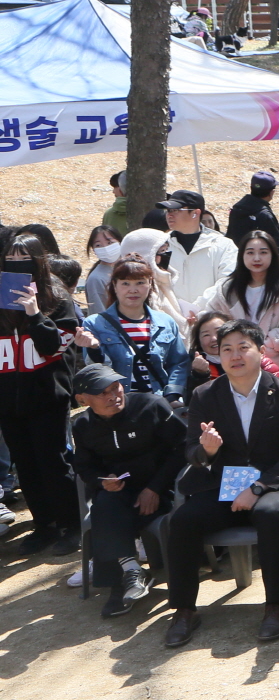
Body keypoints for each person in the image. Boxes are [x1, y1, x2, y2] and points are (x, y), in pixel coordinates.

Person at [161, 320, 279, 646]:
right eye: (226, 349)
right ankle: (184, 610)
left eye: (243, 347)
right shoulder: (205, 394)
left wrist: (258, 488)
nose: (235, 355)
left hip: (271, 485)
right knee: (183, 520)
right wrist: (207, 450)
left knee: (272, 515)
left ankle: (274, 605)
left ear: (261, 351)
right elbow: (192, 452)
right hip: (221, 486)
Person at [70, 362, 185, 616]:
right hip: (120, 493)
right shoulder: (83, 425)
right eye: (103, 393)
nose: (114, 396)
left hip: (162, 488)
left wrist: (154, 488)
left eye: (117, 387)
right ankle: (131, 571)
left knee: (107, 514)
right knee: (106, 504)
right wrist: (102, 481)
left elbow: (182, 449)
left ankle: (122, 581)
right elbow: (84, 467)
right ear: (82, 399)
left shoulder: (150, 405)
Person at [0, 236, 80, 555]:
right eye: (10, 257)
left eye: (25, 258)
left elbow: (53, 346)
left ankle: (72, 524)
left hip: (47, 394)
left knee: (53, 461)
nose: (17, 263)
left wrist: (33, 313)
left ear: (39, 261)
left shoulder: (57, 296)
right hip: (8, 398)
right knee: (26, 464)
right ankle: (44, 524)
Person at [192, 231, 279, 382]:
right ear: (242, 256)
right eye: (250, 252)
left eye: (263, 252)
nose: (257, 258)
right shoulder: (228, 289)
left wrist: (269, 342)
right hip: (236, 370)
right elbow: (210, 318)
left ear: (273, 255)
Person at [84, 255, 190, 404]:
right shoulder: (95, 324)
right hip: (117, 405)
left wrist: (172, 394)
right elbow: (95, 371)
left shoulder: (165, 322)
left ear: (150, 284)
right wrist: (93, 348)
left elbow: (179, 362)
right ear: (114, 285)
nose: (133, 290)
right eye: (125, 283)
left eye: (140, 283)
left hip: (159, 402)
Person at [158, 190, 237, 311]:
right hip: (171, 320)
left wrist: (197, 308)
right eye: (168, 211)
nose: (169, 215)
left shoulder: (223, 245)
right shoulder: (159, 245)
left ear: (195, 213)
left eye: (175, 210)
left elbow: (226, 283)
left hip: (210, 320)